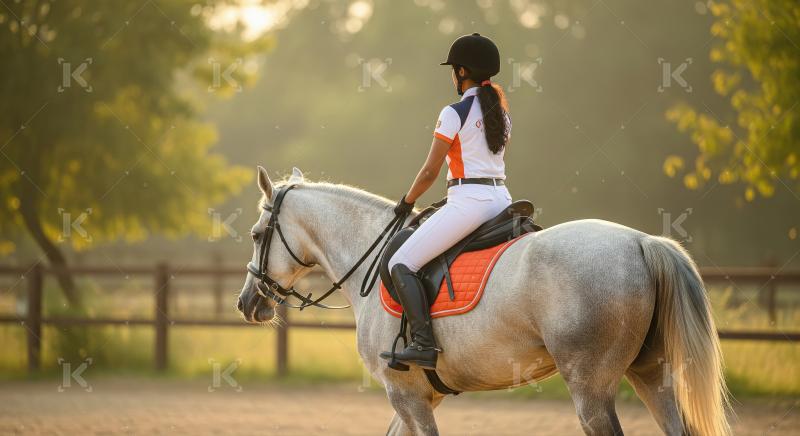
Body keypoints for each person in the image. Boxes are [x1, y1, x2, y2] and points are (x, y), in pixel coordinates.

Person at [381, 33, 512, 369]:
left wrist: (407, 202)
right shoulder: (501, 113)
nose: (452, 75)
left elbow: (429, 172)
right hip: (502, 199)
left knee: (401, 262)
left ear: (462, 71)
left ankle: (424, 342)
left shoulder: (454, 112)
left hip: (471, 202)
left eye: (453, 69)